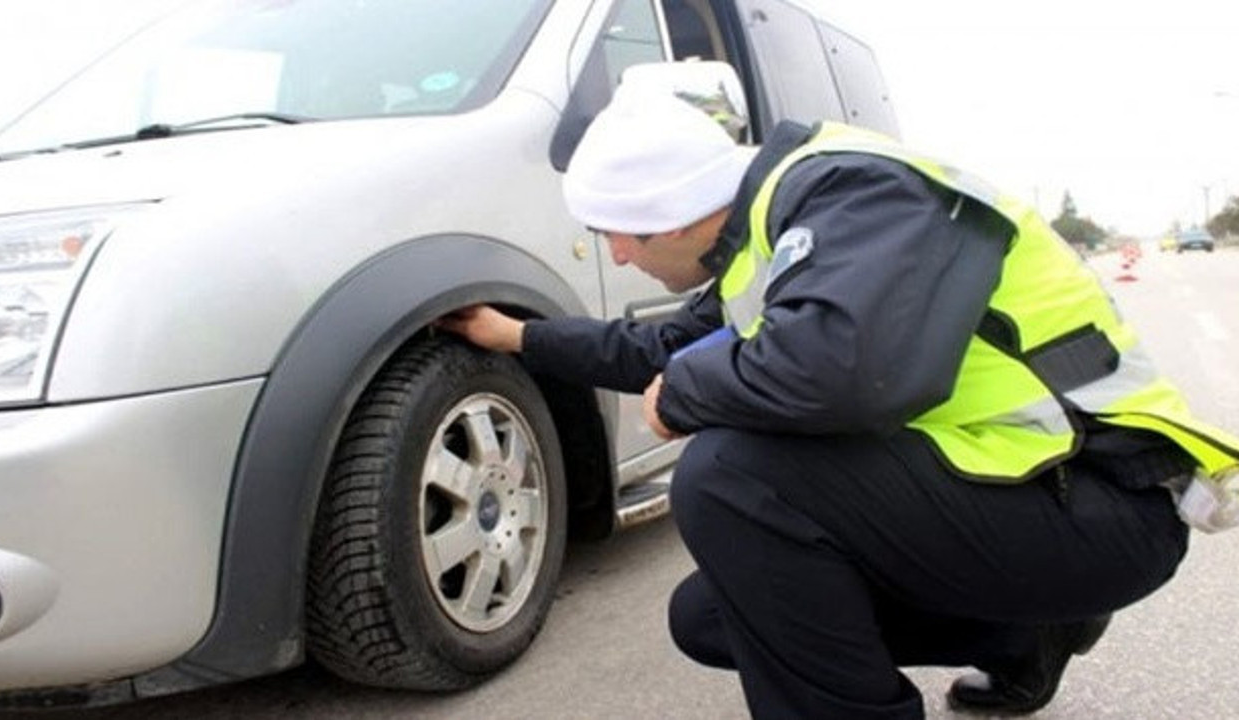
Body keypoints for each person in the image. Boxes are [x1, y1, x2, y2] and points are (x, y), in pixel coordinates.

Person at [438, 85, 1239, 718]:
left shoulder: (861, 192)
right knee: (711, 620)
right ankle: (1024, 636)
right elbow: (665, 348)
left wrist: (686, 392)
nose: (616, 251)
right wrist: (515, 338)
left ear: (678, 211)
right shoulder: (765, 244)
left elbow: (850, 372)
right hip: (1013, 497)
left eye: (626, 233)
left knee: (727, 474)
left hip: (1103, 497)